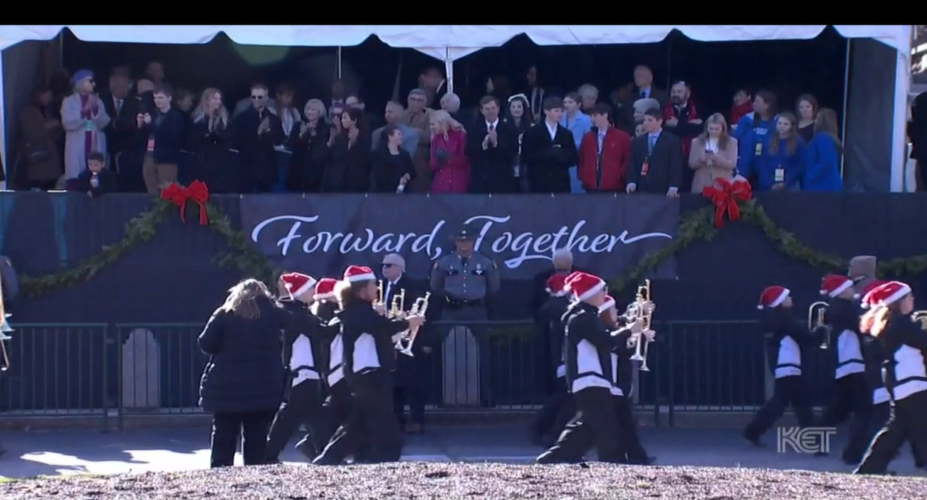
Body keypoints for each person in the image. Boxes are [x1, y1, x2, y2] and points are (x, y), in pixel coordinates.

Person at [313, 266, 425, 465]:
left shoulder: (362, 310)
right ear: (361, 290)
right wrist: (408, 322)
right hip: (365, 373)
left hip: (368, 372)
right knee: (380, 416)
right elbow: (383, 327)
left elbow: (380, 329)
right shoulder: (357, 312)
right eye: (373, 284)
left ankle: (332, 457)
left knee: (362, 418)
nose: (376, 288)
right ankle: (383, 453)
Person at [534, 272, 637, 464]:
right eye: (602, 290)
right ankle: (612, 462)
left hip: (592, 379)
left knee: (585, 427)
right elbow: (606, 342)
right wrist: (630, 331)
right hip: (589, 378)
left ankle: (553, 458)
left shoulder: (587, 317)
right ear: (591, 294)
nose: (605, 293)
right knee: (605, 426)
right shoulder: (583, 318)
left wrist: (629, 330)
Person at [198, 279, 289, 468]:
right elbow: (291, 327)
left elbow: (206, 344)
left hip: (226, 386)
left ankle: (221, 474)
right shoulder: (274, 314)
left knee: (223, 435)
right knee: (257, 435)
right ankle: (254, 474)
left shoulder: (224, 313)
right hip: (263, 385)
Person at [854, 281, 927, 474]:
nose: (913, 299)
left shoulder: (894, 324)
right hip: (911, 382)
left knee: (896, 430)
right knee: (910, 426)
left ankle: (870, 468)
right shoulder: (903, 325)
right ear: (900, 302)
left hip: (903, 383)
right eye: (909, 296)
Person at [265, 273, 334, 464]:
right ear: (301, 292)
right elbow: (325, 332)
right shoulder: (299, 315)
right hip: (304, 373)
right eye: (310, 288)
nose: (314, 291)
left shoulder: (297, 313)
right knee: (302, 418)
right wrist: (342, 317)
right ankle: (326, 455)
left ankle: (324, 454)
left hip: (303, 373)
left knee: (302, 417)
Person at [430, 224, 500, 406]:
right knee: (445, 351)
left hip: (477, 310)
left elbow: (494, 287)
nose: (464, 244)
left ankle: (486, 397)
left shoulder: (485, 263)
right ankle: (443, 397)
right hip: (451, 310)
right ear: (455, 242)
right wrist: (450, 298)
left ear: (474, 241)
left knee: (483, 353)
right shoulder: (444, 263)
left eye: (468, 240)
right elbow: (435, 287)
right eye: (461, 241)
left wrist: (477, 298)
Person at [743, 286, 817, 446]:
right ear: (780, 301)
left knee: (798, 402)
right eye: (787, 296)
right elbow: (807, 337)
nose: (791, 299)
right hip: (791, 365)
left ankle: (814, 437)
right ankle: (752, 431)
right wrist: (820, 331)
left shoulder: (773, 320)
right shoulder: (787, 320)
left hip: (783, 365)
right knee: (784, 403)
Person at [816, 275, 870, 461]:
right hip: (852, 363)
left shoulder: (836, 309)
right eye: (849, 287)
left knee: (840, 409)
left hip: (846, 364)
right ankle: (856, 451)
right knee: (863, 408)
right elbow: (862, 327)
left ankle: (818, 440)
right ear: (841, 292)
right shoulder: (845, 310)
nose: (852, 290)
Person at [381, 253, 434, 434]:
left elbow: (425, 316)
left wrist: (426, 341)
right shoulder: (381, 287)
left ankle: (417, 420)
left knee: (414, 384)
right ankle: (397, 421)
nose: (385, 268)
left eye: (389, 265)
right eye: (384, 265)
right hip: (389, 342)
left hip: (411, 341)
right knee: (394, 385)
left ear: (400, 268)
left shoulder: (412, 286)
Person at [599, 294, 654, 465]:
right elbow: (619, 348)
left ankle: (633, 454)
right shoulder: (604, 330)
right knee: (620, 422)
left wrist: (640, 309)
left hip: (618, 380)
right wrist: (637, 336)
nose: (617, 312)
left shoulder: (613, 326)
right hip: (612, 381)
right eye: (613, 310)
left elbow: (627, 321)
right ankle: (631, 455)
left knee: (624, 421)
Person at [530, 273, 573, 446]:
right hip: (562, 356)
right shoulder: (561, 308)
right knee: (565, 397)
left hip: (554, 357)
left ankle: (544, 430)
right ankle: (549, 432)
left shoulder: (548, 307)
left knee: (561, 396)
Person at [231, 83, 285, 193]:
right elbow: (236, 142)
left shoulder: (274, 119)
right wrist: (257, 133)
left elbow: (279, 140)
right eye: (253, 97)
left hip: (266, 168)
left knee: (264, 199)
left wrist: (268, 132)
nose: (256, 100)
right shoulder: (240, 119)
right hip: (247, 167)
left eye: (260, 97)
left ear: (266, 98)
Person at [61, 70, 110, 187]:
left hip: (94, 140)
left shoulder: (98, 101)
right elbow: (67, 123)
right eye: (90, 81)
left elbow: (104, 122)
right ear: (81, 83)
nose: (94, 84)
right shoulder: (68, 101)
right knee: (77, 176)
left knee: (96, 175)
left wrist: (95, 109)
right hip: (77, 141)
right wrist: (83, 112)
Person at [521, 96, 579, 193]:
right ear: (546, 111)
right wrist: (548, 153)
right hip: (539, 182)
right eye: (556, 111)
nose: (560, 114)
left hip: (561, 182)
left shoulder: (566, 133)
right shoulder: (532, 132)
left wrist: (561, 154)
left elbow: (574, 158)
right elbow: (526, 157)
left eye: (561, 111)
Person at [136, 83, 186, 193]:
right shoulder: (153, 114)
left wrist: (150, 124)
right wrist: (141, 125)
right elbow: (145, 136)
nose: (157, 101)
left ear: (169, 98)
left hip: (167, 159)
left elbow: (170, 137)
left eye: (160, 98)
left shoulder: (175, 117)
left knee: (167, 191)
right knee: (151, 191)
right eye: (155, 98)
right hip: (150, 156)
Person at [466, 95, 519, 194]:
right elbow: (468, 150)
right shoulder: (474, 128)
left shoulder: (509, 128)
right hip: (481, 179)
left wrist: (496, 144)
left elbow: (513, 150)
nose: (491, 111)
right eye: (487, 109)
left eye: (493, 108)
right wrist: (483, 146)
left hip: (503, 179)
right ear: (482, 111)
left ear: (498, 109)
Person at [626, 108, 683, 197]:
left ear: (660, 121)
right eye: (645, 120)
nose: (646, 123)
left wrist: (674, 186)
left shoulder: (671, 140)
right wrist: (632, 182)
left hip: (663, 186)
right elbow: (632, 163)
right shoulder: (638, 141)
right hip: (642, 186)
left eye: (650, 120)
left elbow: (676, 164)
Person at [189, 88, 236, 193]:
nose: (218, 101)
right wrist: (206, 135)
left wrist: (217, 133)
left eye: (219, 99)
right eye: (214, 98)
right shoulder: (197, 118)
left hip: (221, 159)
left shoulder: (226, 119)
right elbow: (193, 138)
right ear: (206, 100)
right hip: (202, 159)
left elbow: (229, 136)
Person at [577, 103, 631, 193]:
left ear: (605, 115)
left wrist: (620, 175)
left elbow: (627, 158)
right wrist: (583, 175)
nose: (592, 119)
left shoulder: (621, 136)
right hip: (590, 185)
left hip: (614, 185)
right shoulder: (588, 137)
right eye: (591, 116)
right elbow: (581, 158)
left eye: (595, 116)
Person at [287, 99, 330, 193]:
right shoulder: (298, 126)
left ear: (320, 112)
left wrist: (313, 134)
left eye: (313, 109)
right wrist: (302, 134)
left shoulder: (326, 128)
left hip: (318, 171)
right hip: (299, 170)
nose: (309, 112)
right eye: (308, 109)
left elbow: (323, 149)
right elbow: (291, 145)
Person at [688, 114, 738, 193]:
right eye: (711, 128)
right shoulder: (697, 141)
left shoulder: (731, 142)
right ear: (706, 127)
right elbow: (691, 164)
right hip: (701, 183)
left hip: (723, 183)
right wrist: (700, 159)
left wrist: (717, 159)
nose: (713, 131)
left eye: (717, 129)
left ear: (723, 128)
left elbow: (732, 164)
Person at [761, 112, 806, 192]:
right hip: (770, 183)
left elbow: (800, 165)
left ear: (791, 126)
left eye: (785, 124)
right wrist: (769, 182)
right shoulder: (768, 141)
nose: (782, 126)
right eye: (779, 123)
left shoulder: (799, 143)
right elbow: (762, 162)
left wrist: (786, 183)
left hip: (791, 184)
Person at [803, 108, 844, 192]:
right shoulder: (831, 139)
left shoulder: (822, 138)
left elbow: (827, 160)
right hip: (829, 185)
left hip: (822, 187)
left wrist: (811, 175)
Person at [428, 110, 470, 193]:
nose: (431, 127)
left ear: (442, 123)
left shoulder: (460, 136)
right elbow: (432, 164)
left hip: (457, 180)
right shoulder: (435, 139)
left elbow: (466, 158)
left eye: (433, 124)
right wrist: (438, 160)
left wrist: (448, 158)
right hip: (440, 181)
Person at [371, 125, 415, 193]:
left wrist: (407, 175)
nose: (401, 136)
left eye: (402, 134)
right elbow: (379, 175)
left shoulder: (405, 154)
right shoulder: (379, 154)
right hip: (385, 192)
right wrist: (398, 180)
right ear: (390, 136)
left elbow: (412, 170)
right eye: (399, 134)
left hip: (403, 191)